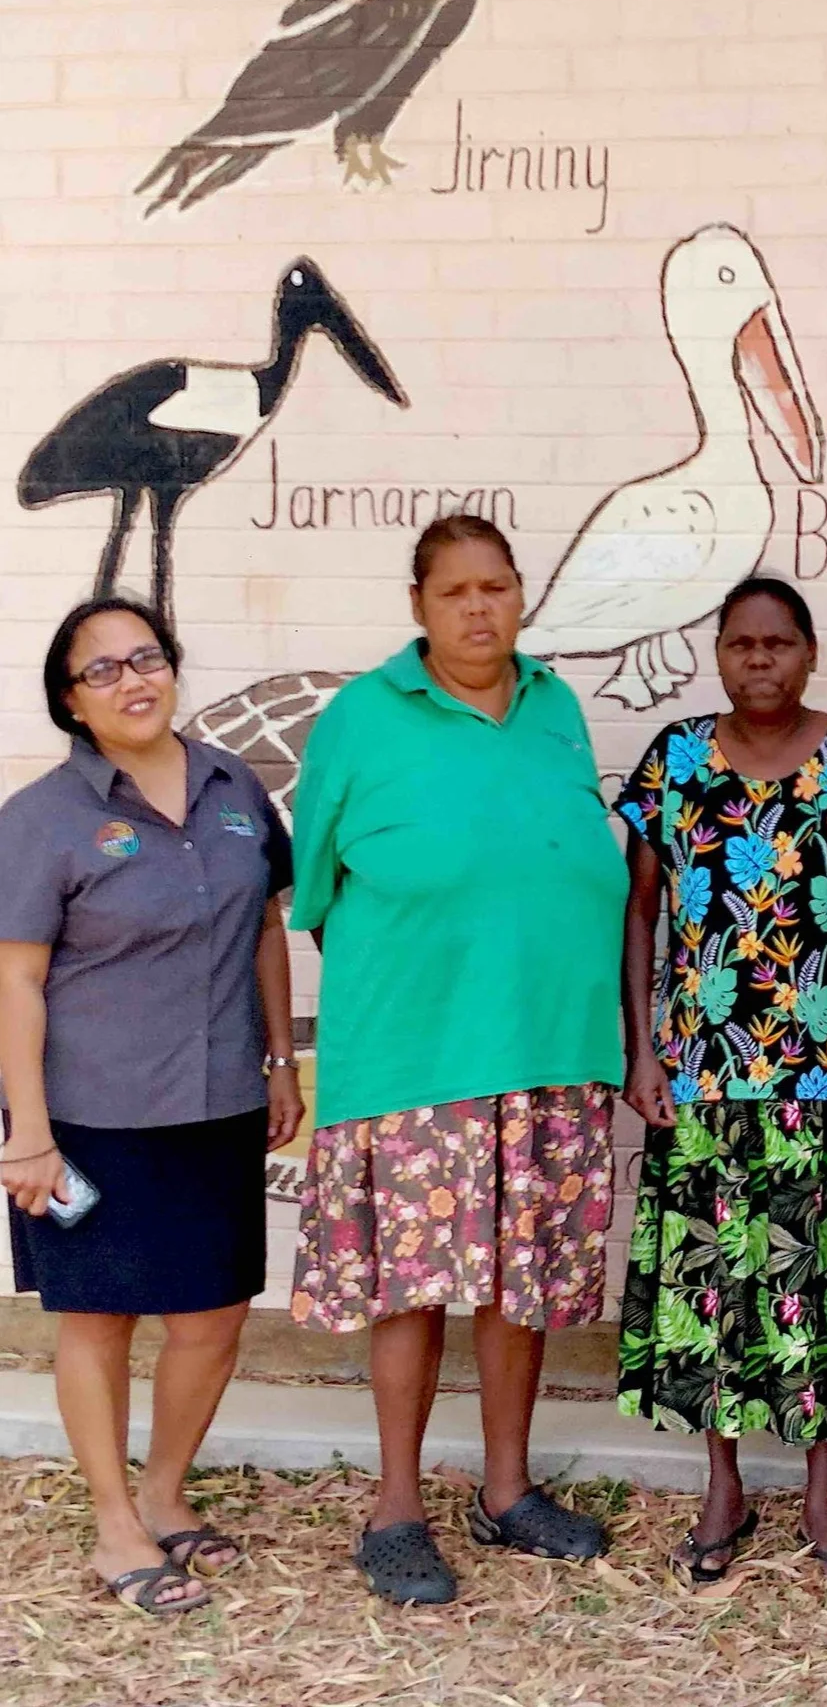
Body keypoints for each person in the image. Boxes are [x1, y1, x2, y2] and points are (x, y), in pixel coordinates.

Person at [289, 515, 628, 1606]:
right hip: (416, 1055)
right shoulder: (361, 715)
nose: (479, 608)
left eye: (497, 586)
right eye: (455, 592)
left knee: (519, 1283)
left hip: (546, 1048)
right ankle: (395, 1507)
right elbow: (319, 892)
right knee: (412, 1287)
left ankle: (508, 1489)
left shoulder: (555, 707)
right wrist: (429, 981)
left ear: (521, 594)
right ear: (419, 605)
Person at [0, 597, 301, 1616]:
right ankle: (115, 1523)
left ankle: (168, 1495)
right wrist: (28, 1132)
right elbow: (17, 983)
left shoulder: (234, 787)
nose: (136, 679)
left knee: (214, 1311)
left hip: (216, 1105)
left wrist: (280, 1059)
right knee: (97, 1317)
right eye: (104, 670)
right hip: (87, 1119)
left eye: (149, 656)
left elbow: (265, 925)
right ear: (70, 702)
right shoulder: (42, 819)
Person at [615, 577, 827, 1593]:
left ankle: (821, 1492)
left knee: (820, 1279)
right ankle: (723, 1484)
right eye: (740, 644)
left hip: (826, 1076)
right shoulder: (675, 759)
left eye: (777, 643)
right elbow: (642, 910)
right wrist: (642, 1049)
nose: (758, 660)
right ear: (718, 655)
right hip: (703, 1071)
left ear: (809, 650)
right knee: (713, 1287)